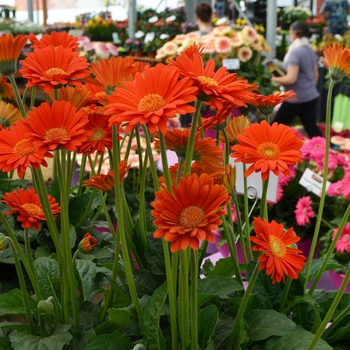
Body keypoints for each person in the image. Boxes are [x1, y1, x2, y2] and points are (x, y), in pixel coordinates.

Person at [271, 21, 323, 139]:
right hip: (310, 96)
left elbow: (291, 79)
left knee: (273, 128)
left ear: (294, 33)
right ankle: (328, 151)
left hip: (295, 99)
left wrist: (274, 78)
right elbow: (316, 75)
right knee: (312, 129)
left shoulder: (295, 52)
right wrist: (308, 90)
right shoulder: (310, 50)